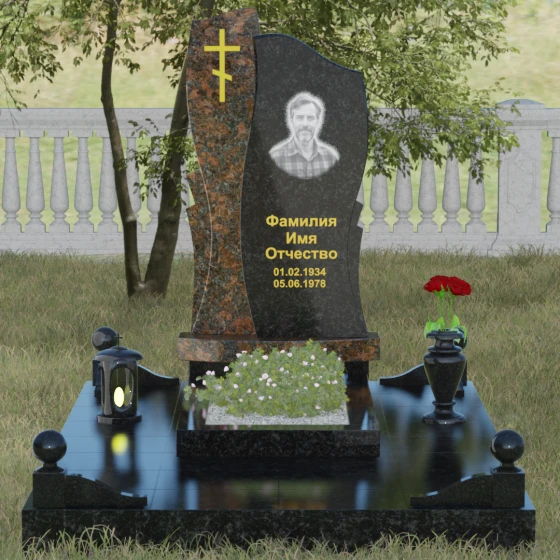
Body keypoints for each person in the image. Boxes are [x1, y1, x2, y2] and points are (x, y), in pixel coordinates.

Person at [269, 92, 339, 179]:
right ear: (291, 121)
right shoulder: (275, 158)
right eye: (300, 117)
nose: (305, 124)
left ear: (317, 121)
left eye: (310, 118)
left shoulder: (331, 158)